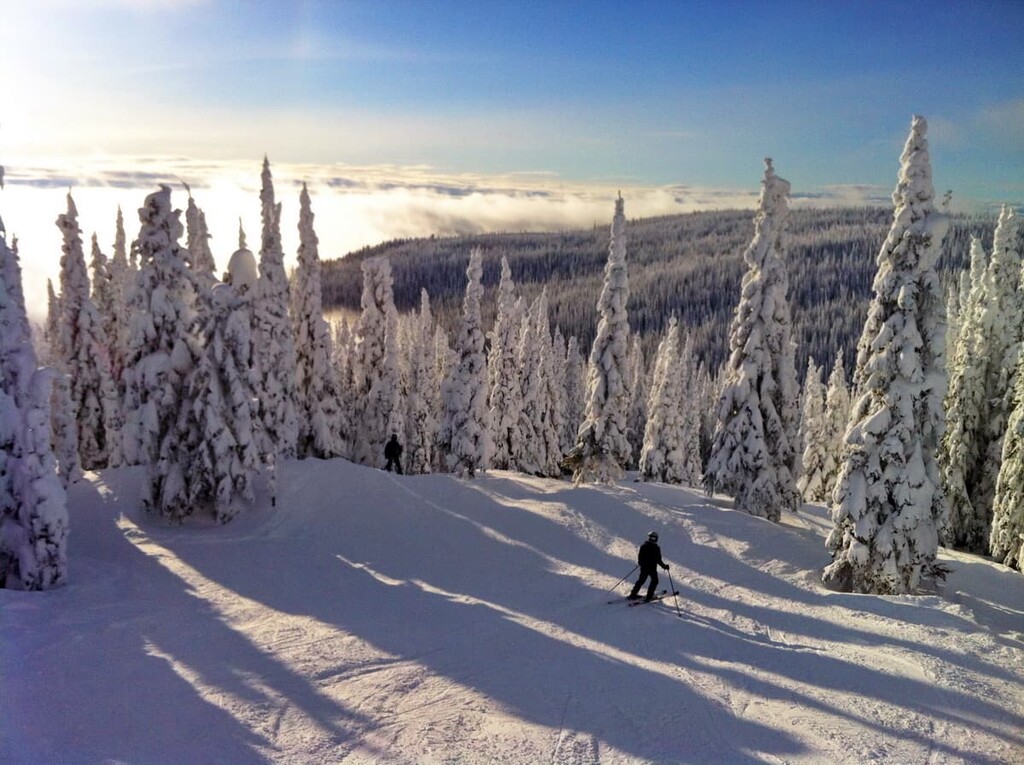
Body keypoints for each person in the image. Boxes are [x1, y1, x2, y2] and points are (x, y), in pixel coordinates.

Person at [629, 531, 669, 601]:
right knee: (654, 581)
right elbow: (658, 560)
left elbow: (640, 557)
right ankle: (649, 596)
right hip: (652, 568)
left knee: (641, 580)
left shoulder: (644, 546)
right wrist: (664, 566)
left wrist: (641, 563)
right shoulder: (656, 548)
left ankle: (633, 594)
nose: (653, 539)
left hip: (644, 567)